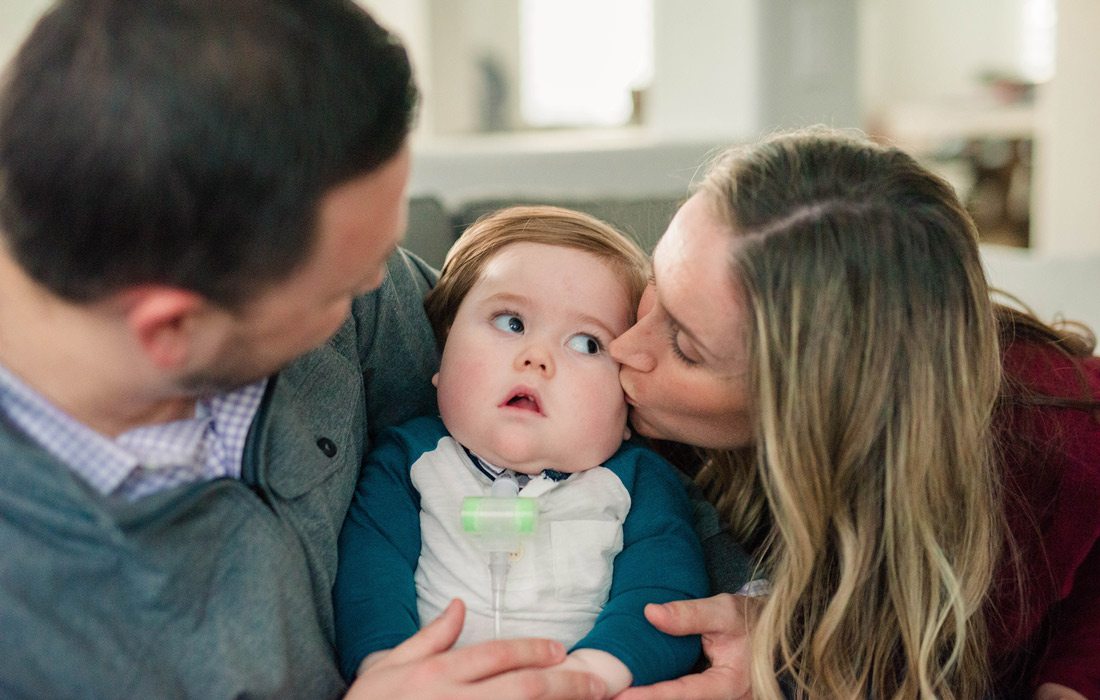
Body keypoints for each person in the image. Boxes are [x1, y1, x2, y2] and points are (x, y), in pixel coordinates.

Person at [0, 1, 606, 698]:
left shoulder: (357, 299)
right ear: (170, 329)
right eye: (344, 286)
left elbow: (596, 432)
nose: (386, 285)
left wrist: (753, 615)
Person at [606, 128, 1100, 699]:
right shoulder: (614, 388)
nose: (625, 346)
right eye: (655, 279)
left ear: (817, 410)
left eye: (687, 349)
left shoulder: (1052, 438)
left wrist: (1073, 675)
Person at [334, 205, 710, 696]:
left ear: (628, 405)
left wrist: (588, 678)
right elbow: (370, 576)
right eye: (511, 322)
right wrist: (387, 666)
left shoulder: (637, 484)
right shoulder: (408, 462)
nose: (536, 358)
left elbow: (665, 595)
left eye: (586, 343)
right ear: (442, 358)